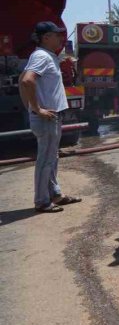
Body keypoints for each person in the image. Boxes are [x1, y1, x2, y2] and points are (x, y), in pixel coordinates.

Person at [18, 22, 82, 213]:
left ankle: (55, 194)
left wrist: (33, 108)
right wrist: (37, 110)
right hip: (47, 118)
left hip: (52, 116)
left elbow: (24, 81)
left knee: (51, 158)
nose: (60, 38)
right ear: (46, 37)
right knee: (45, 159)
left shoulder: (48, 56)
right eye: (56, 35)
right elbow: (27, 80)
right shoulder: (40, 56)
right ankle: (42, 201)